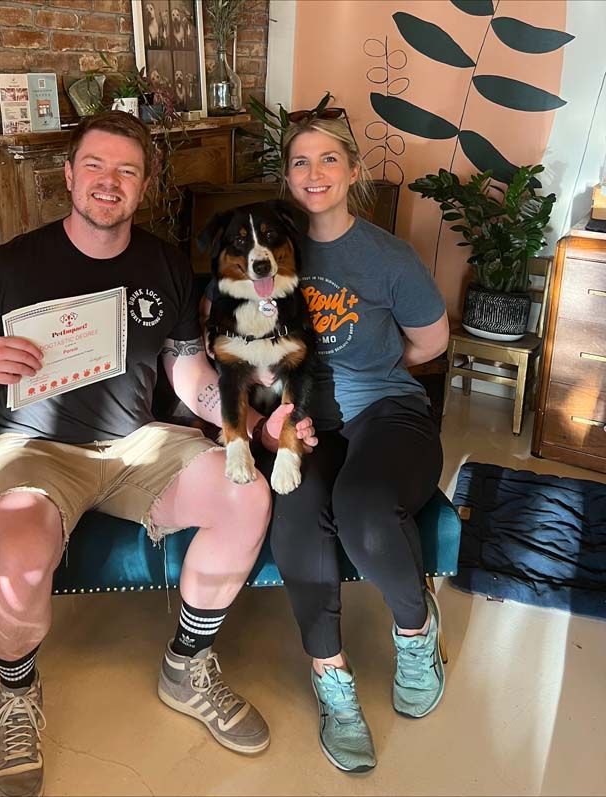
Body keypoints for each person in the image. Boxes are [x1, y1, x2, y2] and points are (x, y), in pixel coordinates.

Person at [0, 111, 316, 797]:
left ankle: (186, 666)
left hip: (136, 441)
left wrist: (248, 422)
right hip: (34, 446)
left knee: (246, 490)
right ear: (70, 175)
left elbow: (189, 374)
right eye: (97, 167)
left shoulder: (162, 262)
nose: (110, 183)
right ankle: (17, 694)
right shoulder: (9, 265)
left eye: (127, 171)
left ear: (143, 185)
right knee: (16, 562)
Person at [204, 112, 450, 773]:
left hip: (388, 416)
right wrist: (276, 413)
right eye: (301, 162)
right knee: (296, 514)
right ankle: (332, 678)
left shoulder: (387, 256)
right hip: (306, 421)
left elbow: (433, 340)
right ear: (287, 177)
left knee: (365, 505)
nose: (314, 174)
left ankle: (416, 632)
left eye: (328, 160)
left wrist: (373, 365)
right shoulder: (272, 248)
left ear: (352, 170)